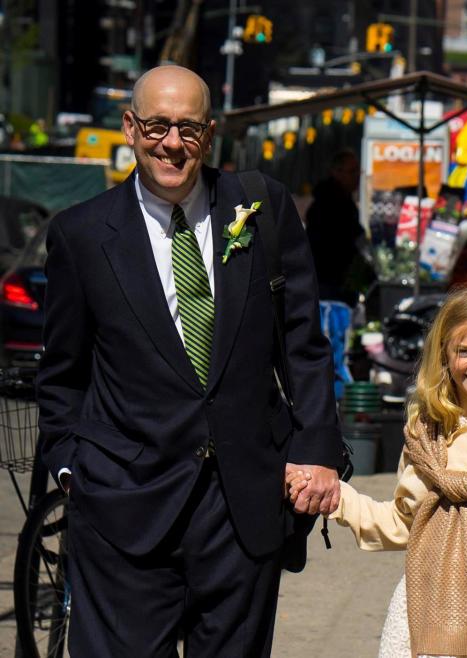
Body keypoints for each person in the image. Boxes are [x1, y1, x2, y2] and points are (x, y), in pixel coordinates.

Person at [37, 65, 344, 657]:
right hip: (123, 508)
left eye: (188, 128)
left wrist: (317, 452)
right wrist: (75, 471)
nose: (172, 144)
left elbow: (303, 342)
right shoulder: (81, 235)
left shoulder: (263, 206)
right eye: (156, 126)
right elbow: (62, 376)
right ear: (130, 128)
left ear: (210, 133)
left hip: (242, 508)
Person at [291, 285, 467, 657]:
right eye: (466, 351)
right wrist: (337, 498)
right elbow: (403, 524)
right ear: (444, 351)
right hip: (435, 606)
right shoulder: (426, 432)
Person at [305, 148, 366, 305]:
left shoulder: (340, 200)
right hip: (331, 283)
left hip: (333, 281)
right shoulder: (331, 203)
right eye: (352, 171)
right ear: (336, 172)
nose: (357, 176)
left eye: (358, 171)